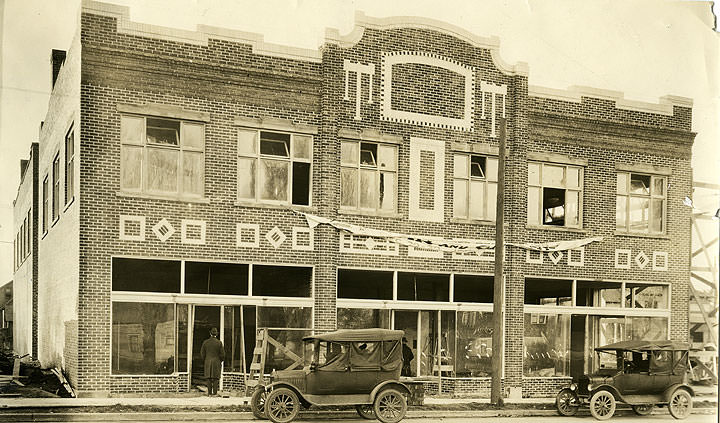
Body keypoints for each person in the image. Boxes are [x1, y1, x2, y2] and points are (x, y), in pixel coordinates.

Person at [200, 327, 224, 396]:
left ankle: (209, 393)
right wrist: (220, 360)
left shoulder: (205, 342)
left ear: (210, 333)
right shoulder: (219, 343)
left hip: (207, 361)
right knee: (216, 378)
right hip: (216, 362)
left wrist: (206, 359)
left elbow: (202, 354)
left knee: (208, 377)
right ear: (217, 334)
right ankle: (215, 393)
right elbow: (223, 355)